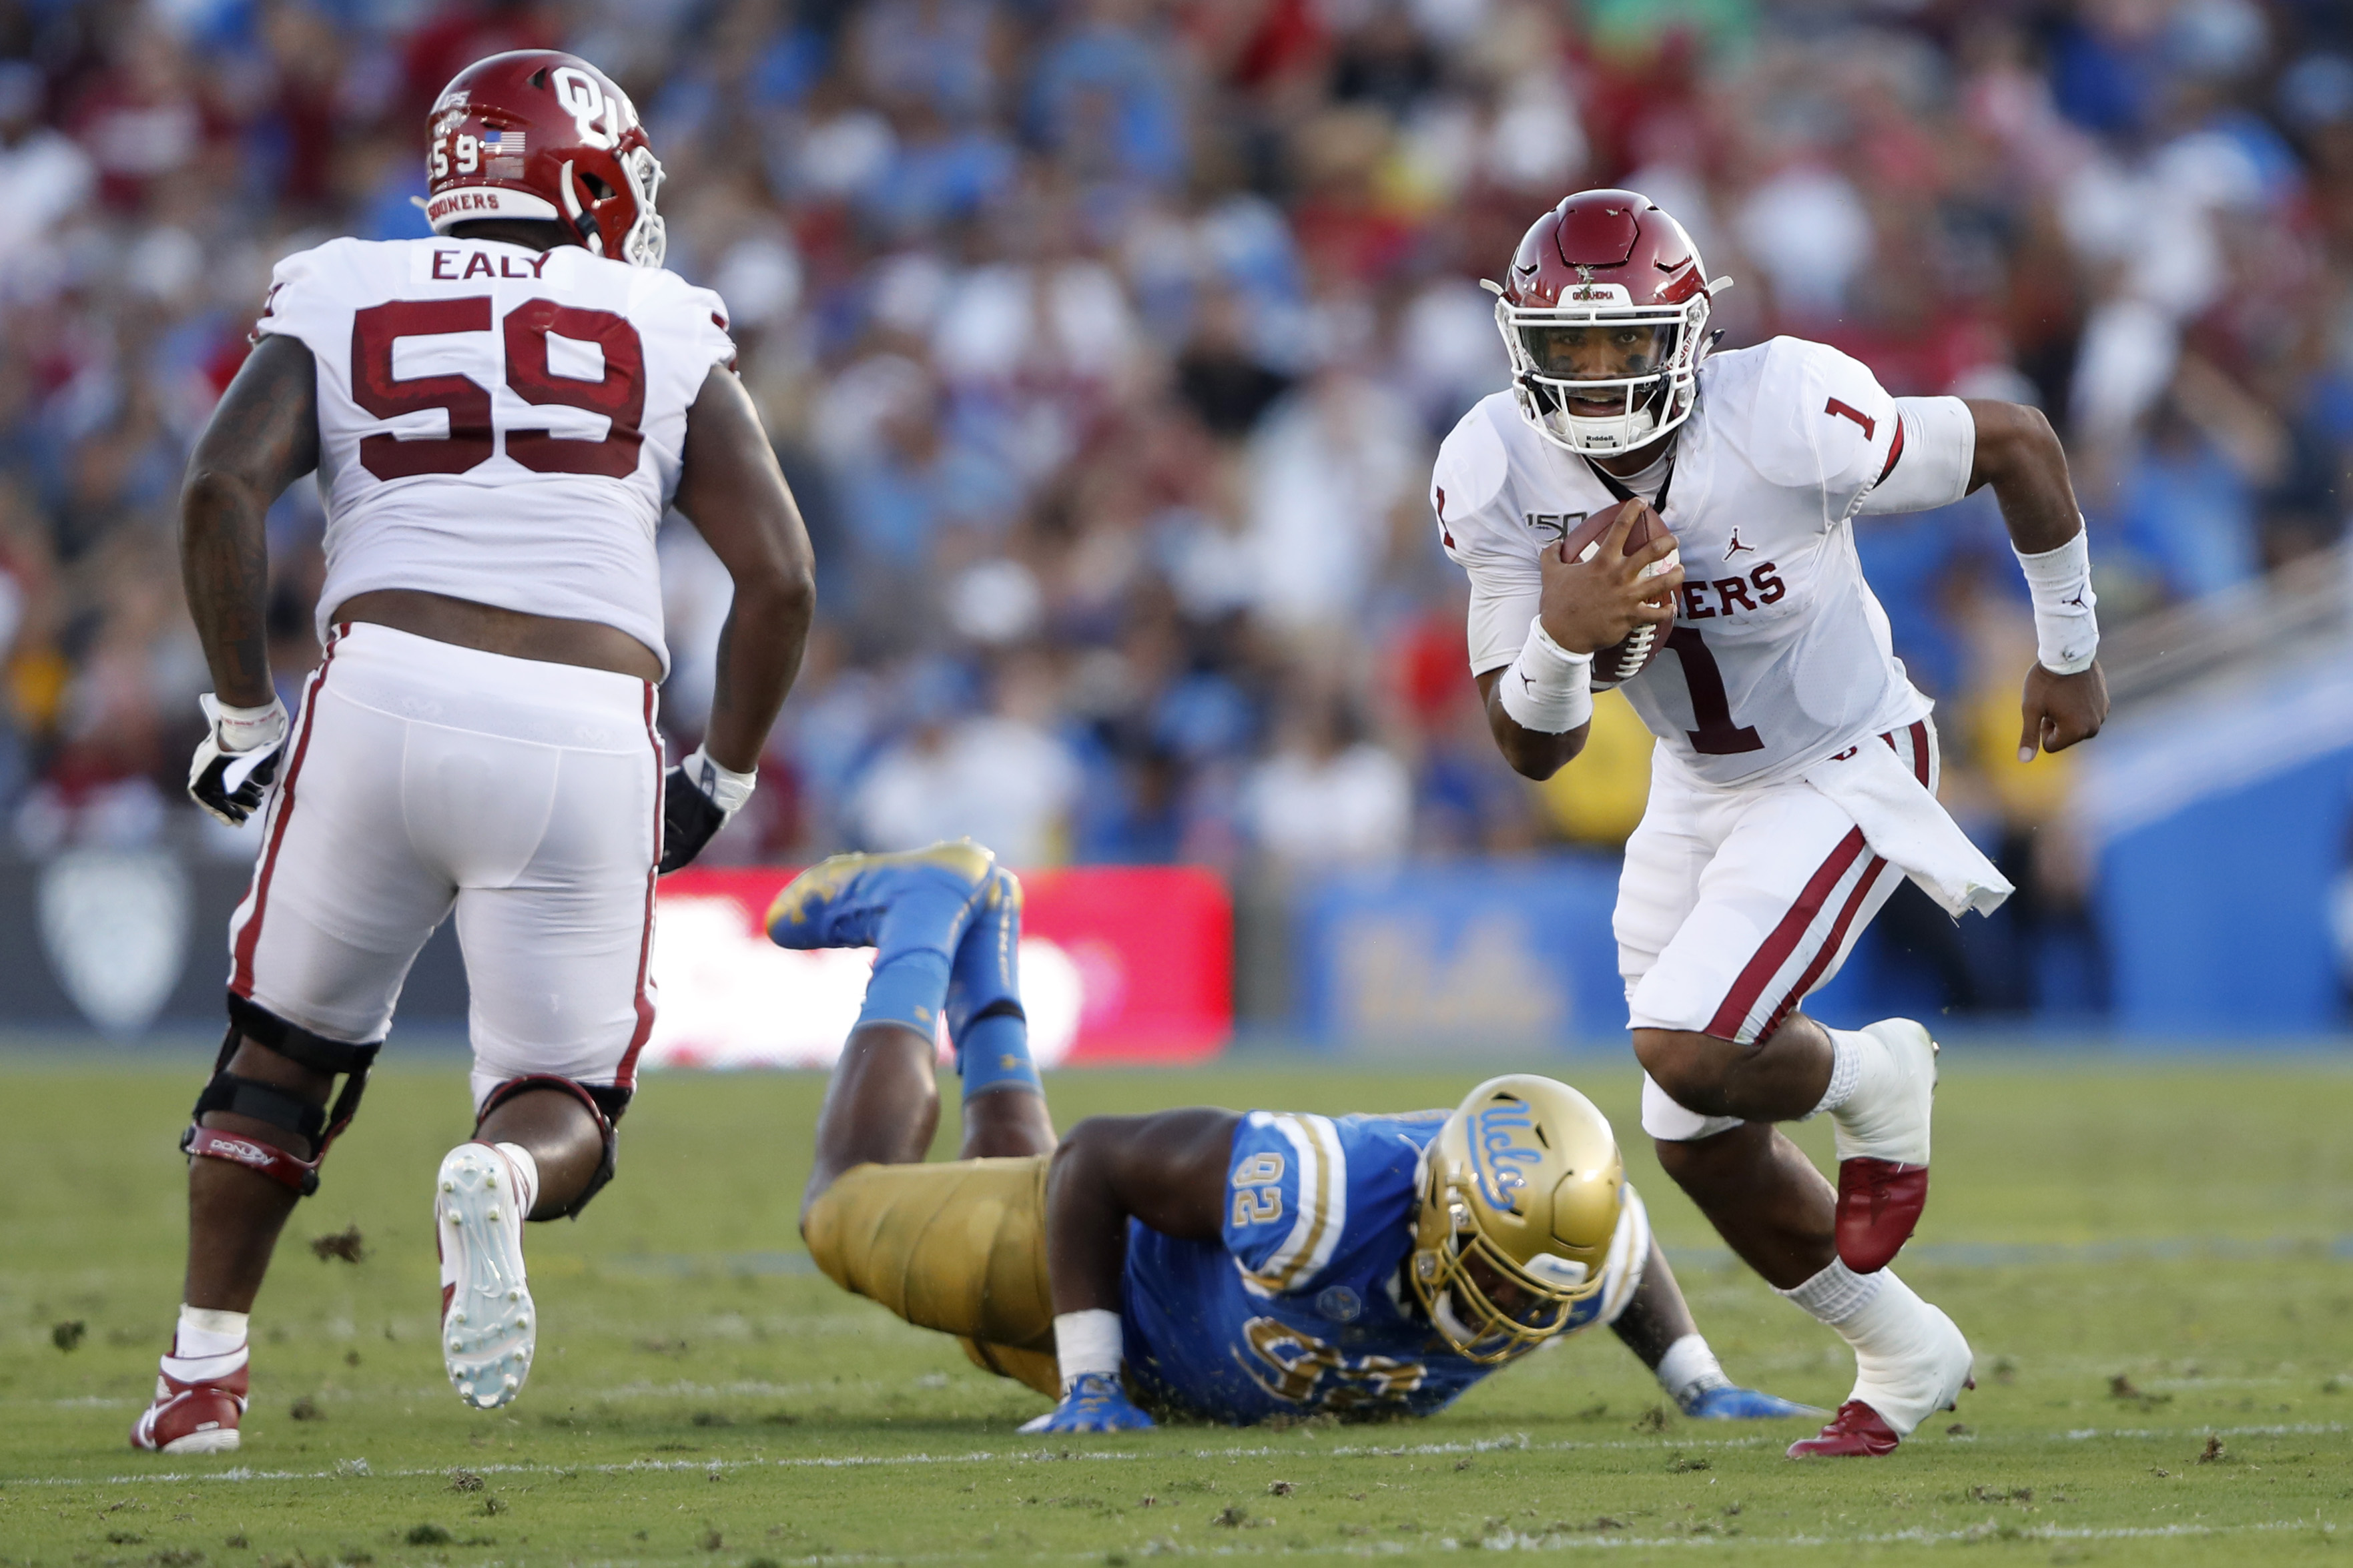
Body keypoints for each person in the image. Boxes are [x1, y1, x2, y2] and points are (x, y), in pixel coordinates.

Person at [133, 51, 816, 1454]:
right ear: (581, 173)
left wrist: (242, 719)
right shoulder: (662, 315)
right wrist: (722, 778)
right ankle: (499, 1176)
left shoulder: (342, 280)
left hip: (380, 691)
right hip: (584, 726)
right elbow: (782, 578)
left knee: (276, 1059)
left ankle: (201, 1378)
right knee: (564, 1097)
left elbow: (219, 485)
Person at [1431, 189, 2109, 1457]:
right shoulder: (1493, 467)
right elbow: (1532, 749)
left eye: (1622, 342)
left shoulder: (1789, 410)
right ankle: (1903, 1349)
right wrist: (1559, 643)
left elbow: (2015, 441)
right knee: (1687, 1128)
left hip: (1843, 757)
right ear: (1519, 344)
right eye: (1567, 348)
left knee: (1684, 1044)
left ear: (1686, 332)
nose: (1594, 376)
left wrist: (2066, 647)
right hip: (1696, 783)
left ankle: (1873, 1069)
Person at [773, 841, 1816, 1429]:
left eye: (1532, 1295)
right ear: (1442, 1212)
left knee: (997, 1174)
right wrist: (1092, 1373)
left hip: (1163, 1362)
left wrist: (1698, 1382)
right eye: (1499, 1279)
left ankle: (985, 940)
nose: (1510, 1313)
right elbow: (1092, 1162)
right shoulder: (1312, 1192)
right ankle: (920, 912)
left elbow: (1624, 1258)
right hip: (1097, 1277)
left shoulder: (1571, 1242)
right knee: (838, 1212)